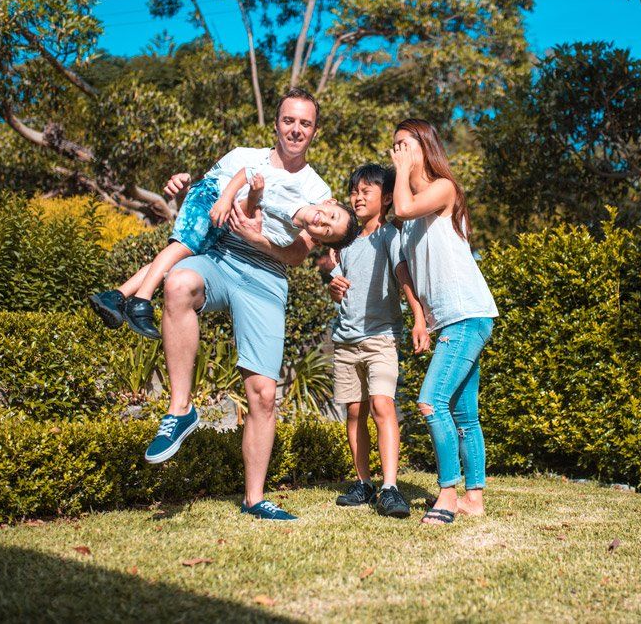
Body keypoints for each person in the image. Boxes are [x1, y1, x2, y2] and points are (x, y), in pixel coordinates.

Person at [141, 88, 331, 521]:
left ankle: (254, 499)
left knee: (263, 394)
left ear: (314, 132)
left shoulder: (318, 190)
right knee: (178, 283)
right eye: (288, 120)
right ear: (277, 123)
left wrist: (260, 239)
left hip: (266, 277)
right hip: (222, 260)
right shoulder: (243, 157)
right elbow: (202, 205)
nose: (295, 129)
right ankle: (180, 410)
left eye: (305, 123)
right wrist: (178, 191)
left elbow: (300, 254)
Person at [89, 159, 358, 340]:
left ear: (319, 241)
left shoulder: (283, 234)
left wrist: (250, 213)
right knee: (182, 247)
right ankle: (141, 302)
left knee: (179, 259)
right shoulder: (294, 188)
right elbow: (247, 172)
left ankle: (116, 296)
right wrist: (226, 198)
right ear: (329, 201)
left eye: (327, 230)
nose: (323, 221)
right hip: (214, 194)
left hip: (225, 219)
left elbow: (252, 209)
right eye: (331, 216)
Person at [389, 118, 498, 525]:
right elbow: (406, 272)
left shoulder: (443, 189)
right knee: (464, 414)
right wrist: (419, 318)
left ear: (424, 146)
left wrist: (401, 173)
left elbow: (402, 205)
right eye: (394, 146)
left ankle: (447, 494)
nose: (397, 152)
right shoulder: (408, 221)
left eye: (405, 144)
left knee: (430, 401)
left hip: (467, 314)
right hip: (449, 320)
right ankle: (475, 498)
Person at [327, 164, 429, 518]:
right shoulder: (343, 244)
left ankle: (389, 488)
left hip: (381, 338)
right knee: (354, 412)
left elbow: (402, 275)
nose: (357, 196)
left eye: (366, 191)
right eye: (354, 190)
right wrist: (333, 285)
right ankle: (363, 483)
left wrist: (418, 316)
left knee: (383, 406)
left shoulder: (389, 236)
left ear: (386, 198)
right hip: (345, 341)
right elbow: (338, 286)